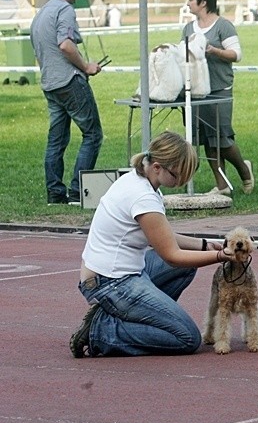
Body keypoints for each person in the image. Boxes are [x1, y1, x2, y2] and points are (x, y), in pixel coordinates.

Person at [68, 131, 239, 358]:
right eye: (177, 176)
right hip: (111, 283)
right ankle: (102, 331)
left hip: (119, 273)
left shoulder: (137, 179)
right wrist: (220, 257)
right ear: (157, 166)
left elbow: (162, 235)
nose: (180, 183)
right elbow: (171, 255)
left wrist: (204, 245)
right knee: (187, 338)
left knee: (188, 264)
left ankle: (139, 317)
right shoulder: (142, 197)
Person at [30, 0, 104, 205]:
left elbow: (40, 52)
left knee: (57, 140)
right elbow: (65, 45)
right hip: (69, 81)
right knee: (93, 135)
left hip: (50, 83)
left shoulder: (40, 14)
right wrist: (86, 67)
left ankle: (55, 193)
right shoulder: (65, 10)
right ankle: (77, 191)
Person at [183, 0, 254, 195]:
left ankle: (244, 170)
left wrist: (214, 51)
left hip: (220, 87)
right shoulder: (188, 29)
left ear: (203, 2)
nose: (187, 4)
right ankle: (221, 185)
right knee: (206, 138)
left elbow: (236, 54)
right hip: (196, 90)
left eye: (190, 0)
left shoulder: (224, 26)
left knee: (222, 137)